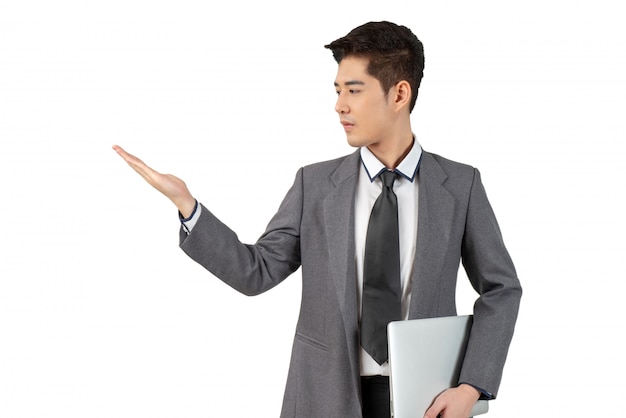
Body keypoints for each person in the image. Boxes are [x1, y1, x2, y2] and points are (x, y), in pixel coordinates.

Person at [113, 21, 521, 418]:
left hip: (429, 401)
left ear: (399, 94)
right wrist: (187, 205)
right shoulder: (315, 184)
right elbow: (256, 272)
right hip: (323, 397)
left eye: (354, 90)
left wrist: (471, 387)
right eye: (338, 90)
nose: (339, 105)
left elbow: (501, 289)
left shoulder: (460, 185)